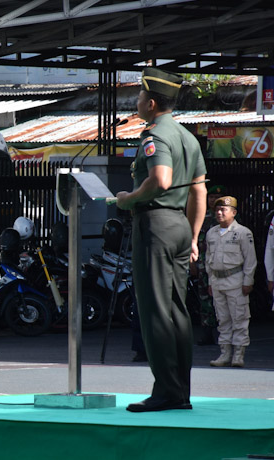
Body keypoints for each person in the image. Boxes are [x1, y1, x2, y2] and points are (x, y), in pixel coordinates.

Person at [116, 68, 207, 413]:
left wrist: (128, 199)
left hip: (155, 223)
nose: (137, 102)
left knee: (155, 309)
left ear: (151, 103)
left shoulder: (155, 136)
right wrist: (195, 235)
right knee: (177, 310)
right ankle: (179, 391)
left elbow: (161, 180)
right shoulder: (188, 137)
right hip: (181, 226)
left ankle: (166, 391)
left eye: (139, 97)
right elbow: (198, 190)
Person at [205, 196, 256, 368]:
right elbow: (208, 259)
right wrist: (210, 282)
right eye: (217, 210)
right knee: (223, 319)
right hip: (217, 281)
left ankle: (238, 354)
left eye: (224, 210)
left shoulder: (243, 233)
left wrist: (248, 281)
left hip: (236, 280)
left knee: (239, 318)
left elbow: (250, 260)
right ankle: (225, 353)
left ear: (233, 213)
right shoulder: (211, 233)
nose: (219, 213)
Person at [191, 184, 226, 346]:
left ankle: (226, 334)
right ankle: (207, 333)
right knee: (204, 300)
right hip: (203, 266)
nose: (213, 201)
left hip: (222, 267)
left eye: (216, 198)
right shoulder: (201, 217)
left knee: (224, 301)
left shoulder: (229, 220)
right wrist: (193, 264)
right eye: (210, 198)